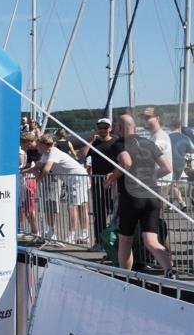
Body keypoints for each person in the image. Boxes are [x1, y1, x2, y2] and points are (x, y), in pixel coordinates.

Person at [105, 115, 175, 277]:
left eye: (116, 127)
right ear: (135, 127)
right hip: (152, 196)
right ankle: (169, 270)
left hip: (131, 197)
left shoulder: (119, 143)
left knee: (125, 240)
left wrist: (112, 177)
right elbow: (167, 168)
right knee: (151, 241)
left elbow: (126, 162)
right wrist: (149, 178)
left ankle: (125, 276)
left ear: (120, 128)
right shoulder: (149, 143)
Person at [27, 134, 90, 244]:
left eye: (38, 145)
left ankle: (72, 236)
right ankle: (84, 234)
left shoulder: (53, 152)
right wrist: (22, 171)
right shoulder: (46, 154)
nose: (37, 147)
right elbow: (37, 167)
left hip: (77, 179)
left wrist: (38, 179)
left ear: (44, 145)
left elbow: (46, 169)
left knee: (73, 207)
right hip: (74, 179)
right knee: (80, 206)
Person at [78, 117, 118, 245]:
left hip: (114, 182)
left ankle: (117, 242)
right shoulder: (94, 144)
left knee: (116, 212)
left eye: (105, 127)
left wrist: (114, 174)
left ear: (110, 129)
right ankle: (99, 242)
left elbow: (123, 161)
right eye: (100, 128)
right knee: (99, 214)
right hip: (98, 183)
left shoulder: (116, 142)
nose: (102, 130)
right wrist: (91, 141)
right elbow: (80, 155)